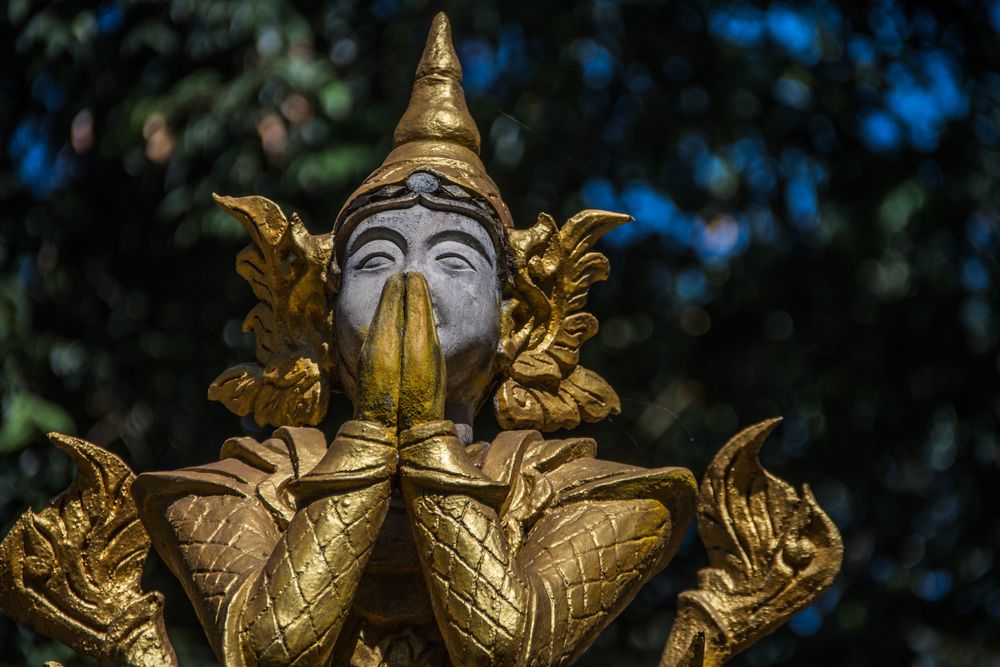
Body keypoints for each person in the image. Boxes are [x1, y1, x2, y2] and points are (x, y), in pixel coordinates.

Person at [132, 13, 696, 667]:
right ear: (319, 313)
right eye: (376, 258)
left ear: (516, 320)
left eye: (454, 258)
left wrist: (426, 435)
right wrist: (372, 431)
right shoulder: (241, 486)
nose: (412, 278)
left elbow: (512, 649)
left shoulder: (588, 493)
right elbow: (266, 650)